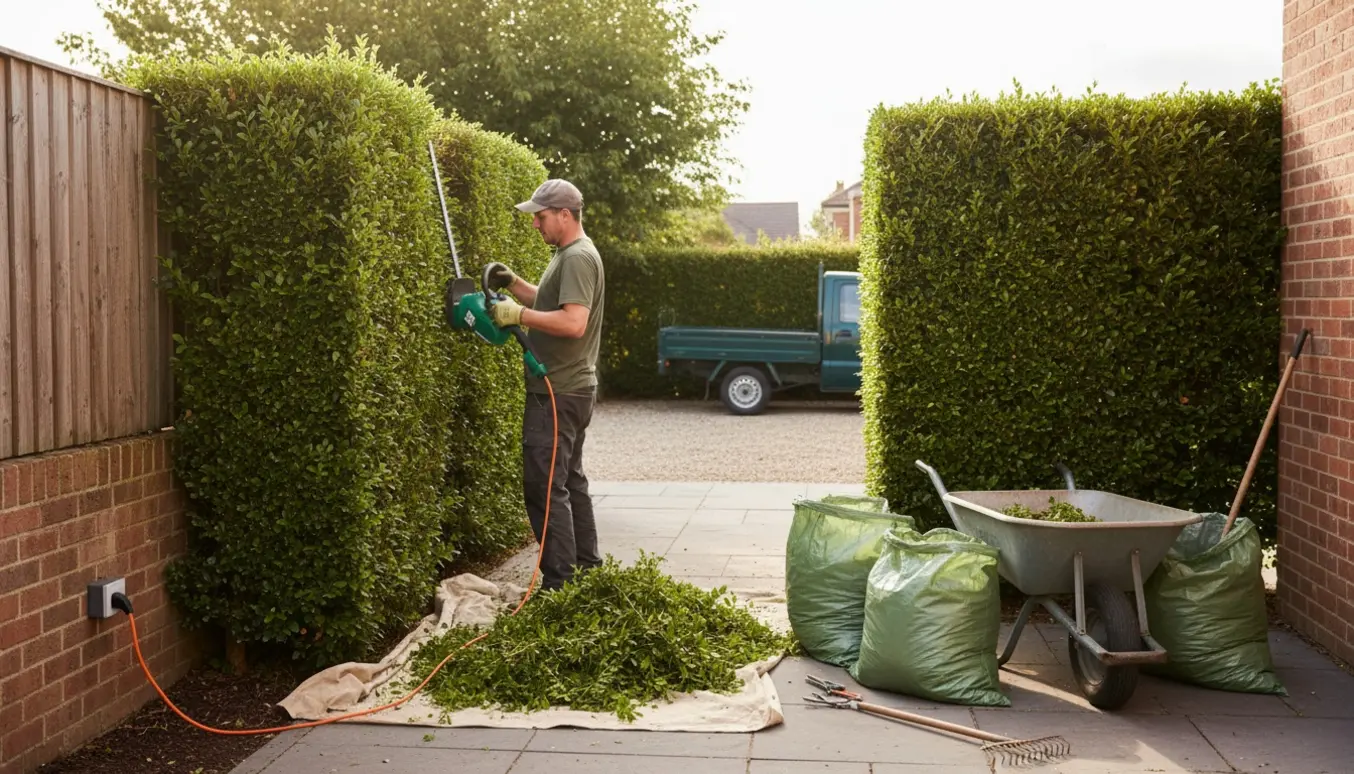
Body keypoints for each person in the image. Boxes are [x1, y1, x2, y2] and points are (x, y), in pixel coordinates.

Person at [486, 179, 606, 591]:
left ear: (564, 215)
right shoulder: (570, 254)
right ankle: (587, 576)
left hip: (557, 390)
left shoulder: (577, 257)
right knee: (570, 480)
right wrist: (516, 284)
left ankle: (560, 588)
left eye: (540, 217)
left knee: (544, 487)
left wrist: (517, 315)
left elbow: (573, 322)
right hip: (570, 388)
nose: (535, 224)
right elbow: (554, 302)